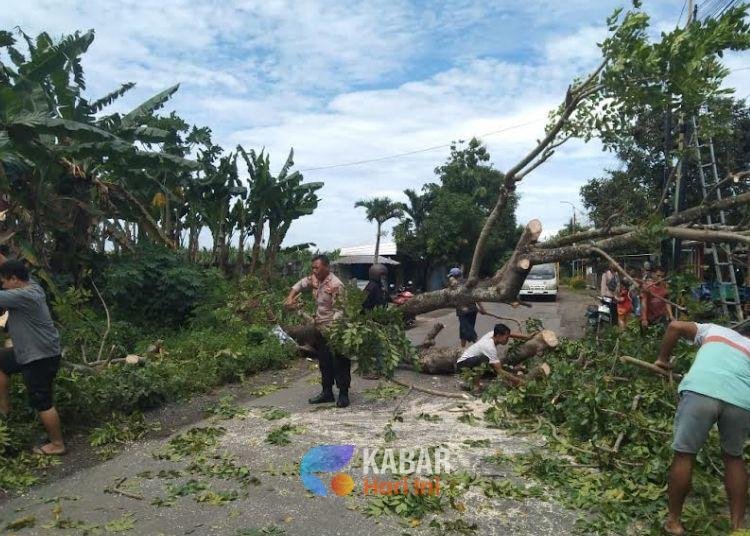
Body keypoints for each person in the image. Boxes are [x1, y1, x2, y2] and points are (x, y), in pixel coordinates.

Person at [653, 321, 750, 535]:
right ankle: (738, 527)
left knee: (684, 455)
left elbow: (675, 326)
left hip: (701, 391)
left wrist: (663, 360)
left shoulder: (713, 330)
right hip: (741, 400)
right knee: (734, 458)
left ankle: (674, 523)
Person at [0, 258, 65, 455]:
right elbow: (7, 262)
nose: (2, 285)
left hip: (39, 357)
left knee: (42, 400)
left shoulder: (23, 295)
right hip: (31, 352)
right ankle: (5, 409)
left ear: (14, 280)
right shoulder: (33, 284)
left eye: (3, 282)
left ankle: (57, 444)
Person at [284, 255, 351, 408]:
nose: (314, 271)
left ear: (327, 267)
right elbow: (300, 284)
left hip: (336, 329)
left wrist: (333, 330)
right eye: (313, 268)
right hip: (320, 328)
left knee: (340, 362)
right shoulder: (315, 279)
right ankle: (327, 392)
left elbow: (341, 310)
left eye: (317, 268)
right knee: (325, 362)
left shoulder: (336, 285)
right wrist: (290, 298)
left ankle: (343, 394)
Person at [455, 324, 512, 390]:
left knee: (489, 364)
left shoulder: (491, 334)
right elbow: (500, 370)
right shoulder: (490, 347)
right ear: (498, 335)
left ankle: (473, 381)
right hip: (462, 366)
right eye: (506, 338)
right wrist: (519, 381)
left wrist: (526, 337)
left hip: (468, 363)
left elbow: (513, 334)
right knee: (484, 359)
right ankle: (475, 386)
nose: (507, 340)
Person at [447, 267, 487, 347]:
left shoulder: (463, 285)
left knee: (468, 330)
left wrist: (481, 309)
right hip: (468, 311)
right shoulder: (458, 285)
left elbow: (475, 297)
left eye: (452, 277)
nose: (451, 278)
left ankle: (480, 348)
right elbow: (476, 298)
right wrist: (481, 309)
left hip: (467, 312)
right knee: (464, 331)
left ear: (455, 276)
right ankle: (462, 350)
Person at [361, 264, 388, 380]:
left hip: (376, 320)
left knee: (377, 345)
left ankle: (378, 369)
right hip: (371, 320)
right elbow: (364, 303)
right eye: (382, 276)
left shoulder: (378, 286)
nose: (383, 278)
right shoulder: (372, 287)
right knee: (375, 346)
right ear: (376, 275)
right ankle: (374, 369)